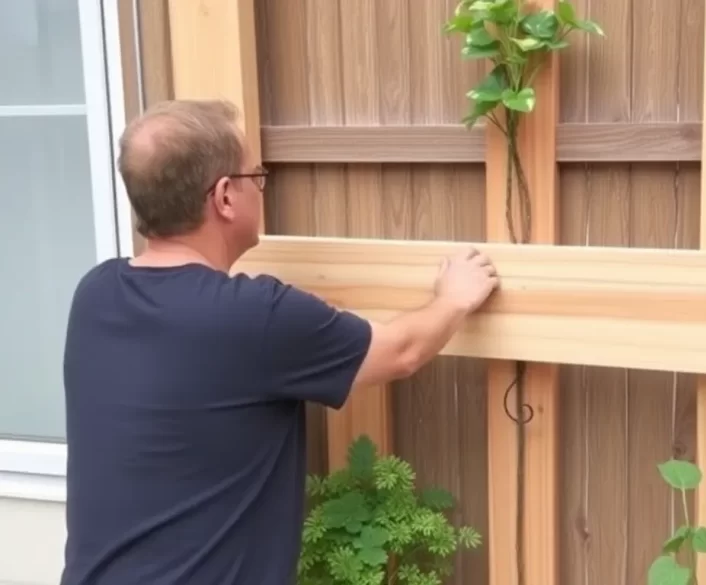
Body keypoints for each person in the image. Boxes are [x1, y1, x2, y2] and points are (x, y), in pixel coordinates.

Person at [59, 99, 499, 585]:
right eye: (257, 176)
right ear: (225, 196)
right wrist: (454, 298)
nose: (261, 187)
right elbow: (400, 352)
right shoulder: (254, 316)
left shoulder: (95, 294)